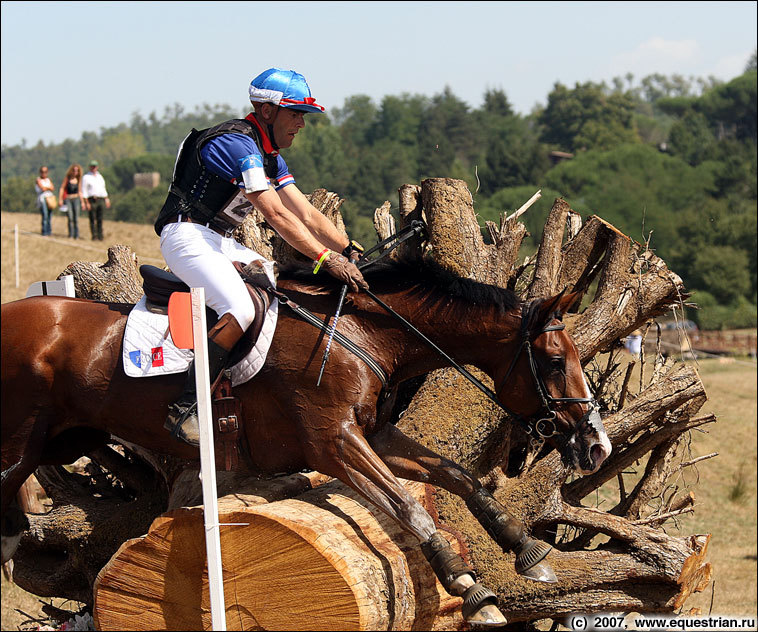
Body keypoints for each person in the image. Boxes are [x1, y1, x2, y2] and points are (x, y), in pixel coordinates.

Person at [153, 67, 369, 447]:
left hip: (218, 240)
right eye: (296, 113)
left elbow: (308, 214)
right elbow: (276, 214)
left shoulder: (271, 158)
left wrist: (347, 248)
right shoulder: (237, 146)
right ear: (267, 111)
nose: (301, 124)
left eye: (304, 115)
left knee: (279, 289)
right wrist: (324, 259)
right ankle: (185, 406)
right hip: (186, 236)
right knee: (241, 307)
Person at [81, 160, 110, 240]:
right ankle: (94, 236)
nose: (94, 168)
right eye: (92, 166)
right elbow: (84, 190)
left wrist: (106, 199)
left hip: (100, 198)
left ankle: (100, 235)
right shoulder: (86, 177)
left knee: (100, 218)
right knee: (92, 218)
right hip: (91, 199)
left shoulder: (100, 177)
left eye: (95, 166)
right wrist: (86, 202)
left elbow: (103, 189)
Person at [59, 164, 84, 239]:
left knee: (76, 218)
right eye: (74, 170)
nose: (75, 172)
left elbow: (80, 191)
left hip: (76, 199)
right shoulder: (67, 178)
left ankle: (76, 235)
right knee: (70, 217)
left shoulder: (79, 179)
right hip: (68, 199)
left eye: (77, 170)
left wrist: (82, 202)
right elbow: (62, 188)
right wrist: (60, 199)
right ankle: (70, 234)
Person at [34, 166, 55, 236]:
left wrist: (47, 188)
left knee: (49, 215)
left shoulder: (48, 180)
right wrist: (48, 188)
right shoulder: (38, 179)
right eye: (42, 172)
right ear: (40, 172)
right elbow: (42, 188)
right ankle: (44, 232)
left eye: (45, 172)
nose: (44, 173)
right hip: (42, 199)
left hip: (50, 199)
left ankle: (49, 231)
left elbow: (52, 188)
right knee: (45, 215)